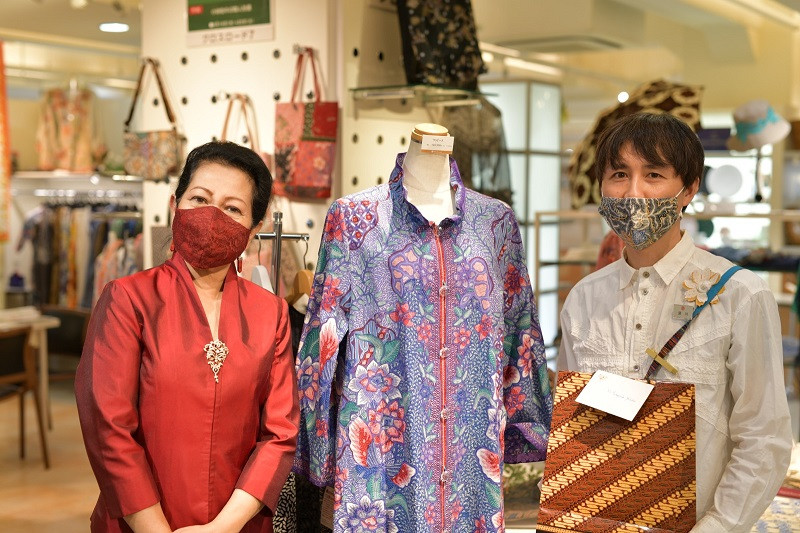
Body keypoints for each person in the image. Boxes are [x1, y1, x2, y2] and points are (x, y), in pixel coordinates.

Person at [557, 112, 792, 532]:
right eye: (618, 175)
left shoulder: (739, 294)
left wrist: (717, 526)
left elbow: (763, 438)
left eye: (653, 174)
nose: (634, 193)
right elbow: (578, 426)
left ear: (688, 189)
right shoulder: (584, 299)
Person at [75, 141, 299, 532]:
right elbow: (108, 427)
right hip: (137, 523)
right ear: (175, 204)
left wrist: (222, 528)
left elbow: (280, 434)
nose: (213, 216)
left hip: (238, 526)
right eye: (200, 198)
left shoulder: (272, 313)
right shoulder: (128, 300)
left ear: (255, 228)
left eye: (233, 209)